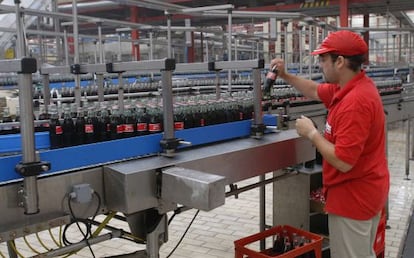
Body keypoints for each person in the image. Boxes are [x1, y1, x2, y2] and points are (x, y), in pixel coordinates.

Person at [271, 30, 389, 258]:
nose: (320, 64)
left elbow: (344, 161)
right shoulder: (349, 86)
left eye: (324, 59)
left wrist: (312, 134)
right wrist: (285, 75)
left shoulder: (355, 102)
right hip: (364, 190)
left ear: (340, 61)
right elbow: (314, 90)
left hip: (354, 198)